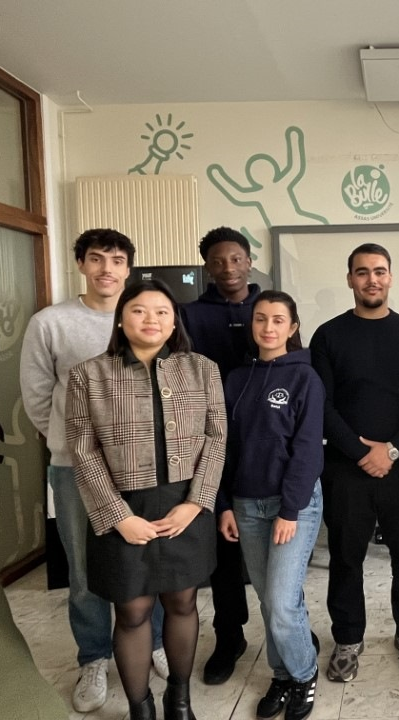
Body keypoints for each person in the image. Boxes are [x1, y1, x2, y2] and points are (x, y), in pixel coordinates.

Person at [19, 228, 168, 713]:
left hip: (144, 469)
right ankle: (94, 656)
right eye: (98, 259)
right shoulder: (51, 323)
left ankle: (158, 641)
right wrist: (66, 441)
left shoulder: (146, 315)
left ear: (129, 268)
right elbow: (38, 396)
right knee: (84, 570)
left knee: (152, 560)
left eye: (118, 260)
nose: (108, 269)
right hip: (72, 469)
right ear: (81, 264)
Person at [66, 279, 227, 720]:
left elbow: (217, 438)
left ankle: (180, 698)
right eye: (139, 310)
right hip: (123, 507)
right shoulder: (89, 374)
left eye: (161, 311)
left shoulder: (202, 369)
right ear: (122, 318)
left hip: (184, 503)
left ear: (174, 320)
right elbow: (83, 451)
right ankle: (141, 707)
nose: (151, 319)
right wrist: (118, 517)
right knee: (132, 610)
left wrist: (196, 503)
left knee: (182, 602)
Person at [309, 243, 399, 681]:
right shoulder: (327, 336)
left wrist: (391, 450)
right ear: (350, 280)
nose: (372, 280)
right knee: (346, 556)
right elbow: (321, 404)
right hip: (345, 465)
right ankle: (347, 639)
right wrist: (361, 452)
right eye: (362, 272)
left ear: (391, 278)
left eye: (379, 271)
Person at [218, 290, 323, 720]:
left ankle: (304, 673)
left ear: (293, 328)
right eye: (260, 319)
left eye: (278, 320)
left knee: (281, 602)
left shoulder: (305, 378)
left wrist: (290, 510)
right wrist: (224, 504)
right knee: (268, 599)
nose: (268, 327)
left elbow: (307, 452)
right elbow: (221, 447)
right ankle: (281, 674)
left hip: (291, 504)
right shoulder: (235, 378)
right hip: (245, 504)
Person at [178, 226, 257, 684]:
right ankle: (230, 636)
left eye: (236, 258)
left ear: (249, 260)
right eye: (218, 260)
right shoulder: (188, 315)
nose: (228, 267)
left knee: (271, 549)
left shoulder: (270, 308)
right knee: (222, 550)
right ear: (207, 265)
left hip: (262, 441)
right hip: (209, 443)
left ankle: (288, 631)